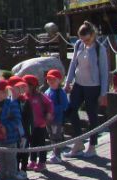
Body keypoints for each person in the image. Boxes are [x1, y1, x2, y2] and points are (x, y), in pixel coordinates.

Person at [63, 21, 109, 158]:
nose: (85, 42)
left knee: (92, 115)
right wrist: (68, 81)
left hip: (93, 87)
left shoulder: (99, 49)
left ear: (93, 35)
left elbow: (104, 72)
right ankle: (78, 142)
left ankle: (92, 146)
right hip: (79, 84)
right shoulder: (78, 45)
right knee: (71, 110)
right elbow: (73, 63)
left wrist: (103, 93)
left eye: (87, 40)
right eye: (82, 39)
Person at [0, 79, 24, 180]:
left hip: (10, 137)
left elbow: (17, 120)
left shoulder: (11, 104)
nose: (0, 94)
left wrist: (6, 128)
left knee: (10, 159)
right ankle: (1, 176)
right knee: (0, 158)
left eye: (3, 92)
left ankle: (12, 178)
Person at [23, 74, 53, 171]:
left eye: (25, 85)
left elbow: (49, 104)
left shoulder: (40, 96)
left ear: (32, 86)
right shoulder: (24, 97)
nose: (23, 87)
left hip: (41, 124)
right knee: (32, 144)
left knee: (41, 144)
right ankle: (33, 161)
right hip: (31, 126)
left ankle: (42, 163)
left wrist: (49, 114)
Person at [45, 69, 69, 164]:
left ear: (59, 80)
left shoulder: (61, 92)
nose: (51, 81)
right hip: (48, 120)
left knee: (57, 137)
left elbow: (65, 105)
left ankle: (57, 155)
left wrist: (52, 110)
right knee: (51, 136)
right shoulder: (47, 91)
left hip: (57, 120)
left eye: (53, 79)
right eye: (49, 79)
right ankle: (54, 153)